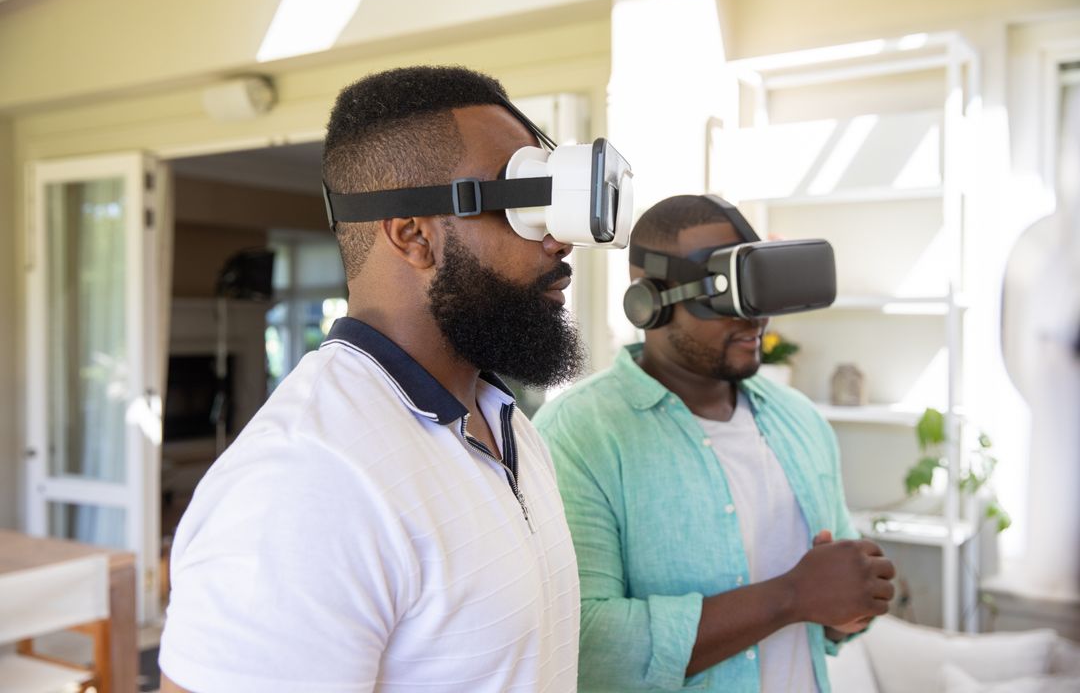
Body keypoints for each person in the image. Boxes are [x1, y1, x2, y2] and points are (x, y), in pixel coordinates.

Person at [159, 66, 588, 692]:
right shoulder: (306, 480)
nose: (559, 238)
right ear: (414, 236)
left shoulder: (507, 422)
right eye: (522, 204)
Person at [533, 194, 896, 692]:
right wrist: (792, 595)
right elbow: (587, 646)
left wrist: (848, 607)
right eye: (726, 297)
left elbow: (830, 607)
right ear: (650, 301)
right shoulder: (580, 434)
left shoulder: (800, 420)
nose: (754, 320)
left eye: (759, 294)